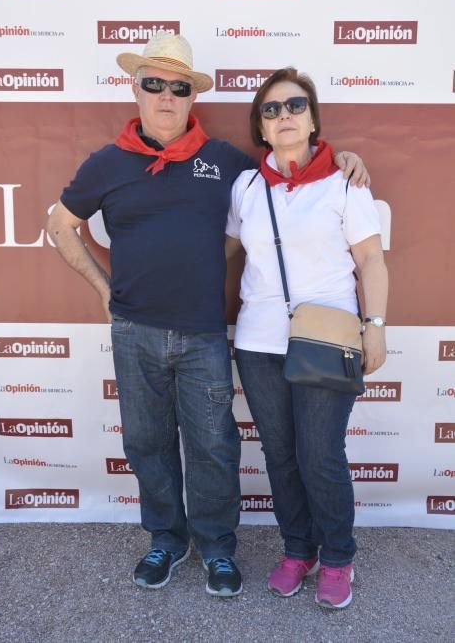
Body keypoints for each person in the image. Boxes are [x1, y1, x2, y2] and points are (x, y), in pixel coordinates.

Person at [47, 34, 371, 598]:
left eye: (178, 87)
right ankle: (165, 541)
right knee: (147, 443)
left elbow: (289, 168)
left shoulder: (225, 162)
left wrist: (344, 159)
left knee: (213, 447)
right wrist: (104, 291)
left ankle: (219, 549)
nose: (166, 96)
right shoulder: (106, 163)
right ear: (136, 88)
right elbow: (60, 227)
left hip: (202, 334)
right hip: (133, 331)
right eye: (154, 84)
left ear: (191, 96)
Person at [226, 67, 388, 608]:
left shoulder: (346, 182)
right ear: (262, 128)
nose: (284, 116)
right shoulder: (247, 186)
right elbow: (223, 253)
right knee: (280, 454)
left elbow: (370, 259)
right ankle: (299, 550)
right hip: (257, 341)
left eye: (294, 106)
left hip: (326, 339)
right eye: (271, 110)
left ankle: (339, 557)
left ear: (313, 118)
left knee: (320, 454)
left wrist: (377, 327)